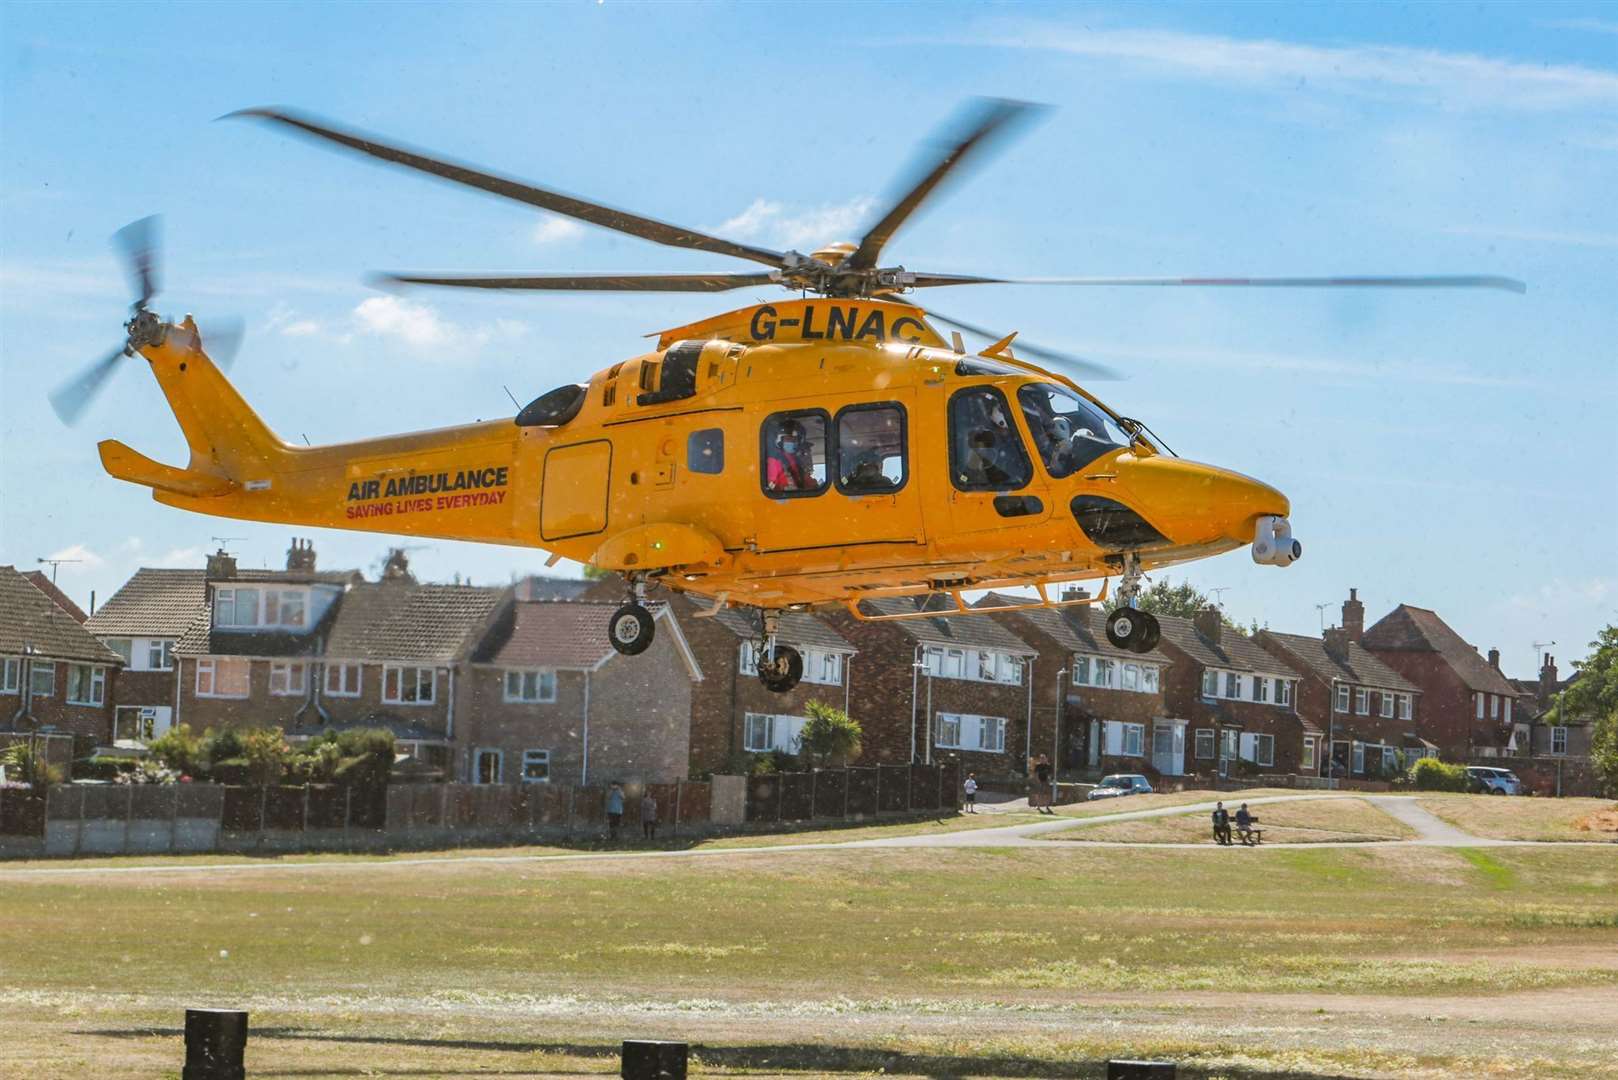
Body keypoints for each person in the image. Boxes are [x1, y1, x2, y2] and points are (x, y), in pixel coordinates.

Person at [765, 419, 814, 493]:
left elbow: (806, 480)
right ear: (780, 441)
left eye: (794, 439)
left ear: (799, 442)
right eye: (788, 439)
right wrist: (783, 490)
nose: (791, 442)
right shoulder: (774, 461)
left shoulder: (796, 461)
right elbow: (769, 486)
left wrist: (814, 486)